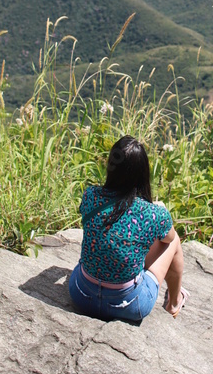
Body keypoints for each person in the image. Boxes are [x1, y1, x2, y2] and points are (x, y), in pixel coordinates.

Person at [68, 135, 189, 323]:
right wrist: (162, 211)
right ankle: (174, 302)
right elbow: (168, 238)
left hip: (81, 294)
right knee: (174, 241)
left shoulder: (90, 195)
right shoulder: (152, 214)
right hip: (128, 306)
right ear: (142, 173)